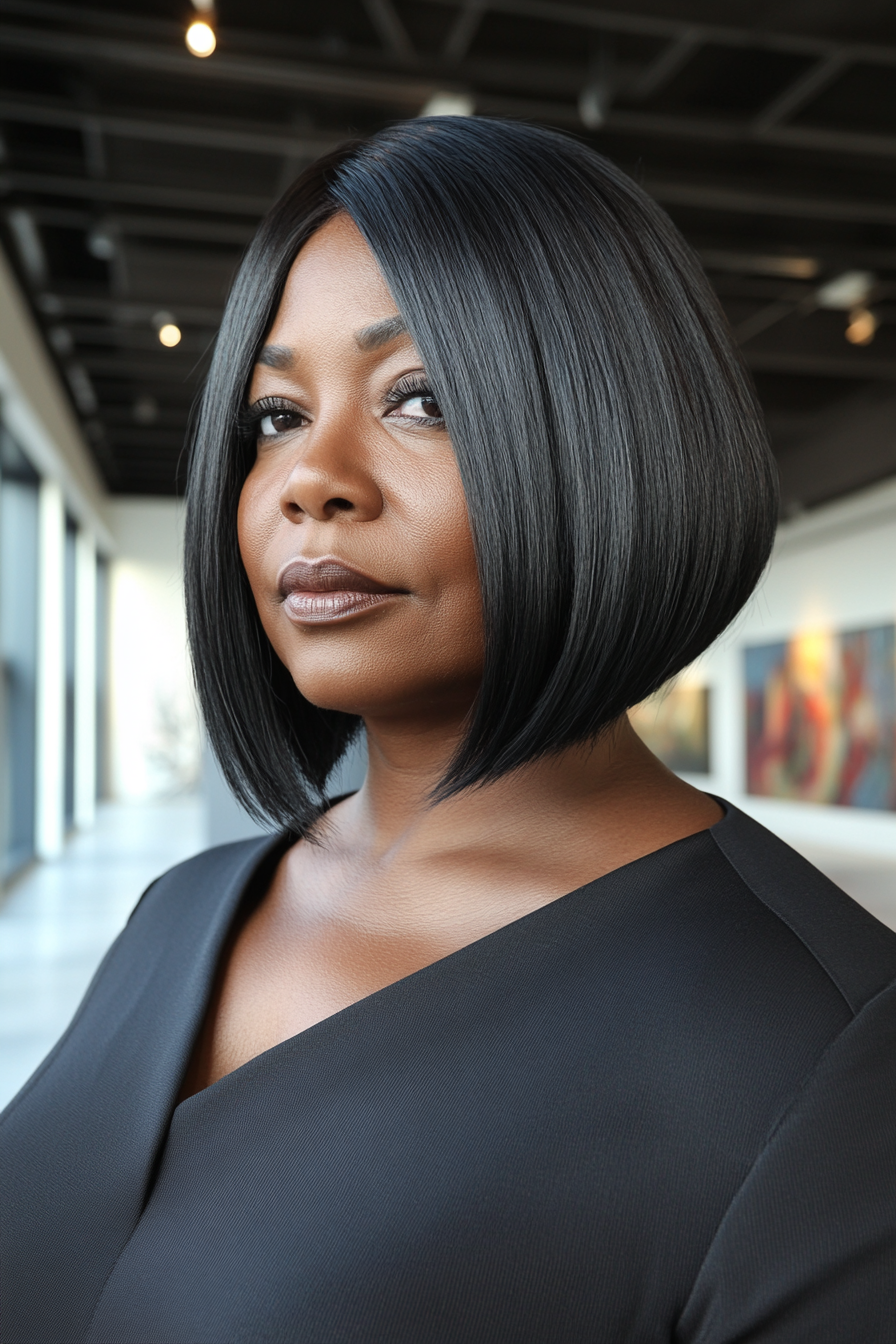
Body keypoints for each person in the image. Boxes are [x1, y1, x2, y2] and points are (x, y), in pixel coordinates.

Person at [1, 117, 894, 1344]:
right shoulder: (185, 907)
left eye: (417, 398)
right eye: (272, 416)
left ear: (612, 436)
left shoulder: (825, 1051)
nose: (313, 477)